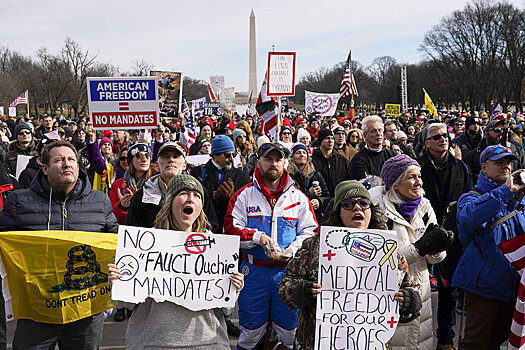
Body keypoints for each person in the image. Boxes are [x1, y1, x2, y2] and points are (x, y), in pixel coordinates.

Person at [0, 140, 118, 349]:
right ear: (44, 168)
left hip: (87, 314)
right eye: (59, 160)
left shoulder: (100, 202)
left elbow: (116, 244)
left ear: (78, 166)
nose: (67, 164)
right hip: (36, 313)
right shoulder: (19, 202)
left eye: (71, 159)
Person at [279, 180, 422, 350]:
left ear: (371, 210)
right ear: (338, 212)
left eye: (363, 203)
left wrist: (410, 302)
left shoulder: (390, 253)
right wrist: (300, 291)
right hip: (318, 343)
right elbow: (285, 287)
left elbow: (410, 292)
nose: (357, 208)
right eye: (348, 204)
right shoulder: (314, 246)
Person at [108, 174, 244, 349]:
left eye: (197, 195)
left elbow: (226, 309)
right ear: (169, 202)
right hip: (153, 344)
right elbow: (122, 303)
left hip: (208, 344)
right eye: (184, 193)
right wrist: (118, 280)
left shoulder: (216, 248)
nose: (191, 199)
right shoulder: (143, 244)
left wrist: (235, 287)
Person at [224, 142, 318, 349]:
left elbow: (311, 232)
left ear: (285, 163)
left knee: (289, 332)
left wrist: (293, 249)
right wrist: (258, 237)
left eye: (277, 159)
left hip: (287, 274)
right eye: (268, 159)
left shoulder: (299, 198)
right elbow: (230, 229)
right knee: (250, 333)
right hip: (253, 272)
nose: (273, 164)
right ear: (258, 162)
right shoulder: (244, 195)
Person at [370, 154, 453, 349]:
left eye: (419, 176)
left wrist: (439, 246)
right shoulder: (377, 211)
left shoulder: (424, 206)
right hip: (392, 295)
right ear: (396, 184)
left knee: (418, 341)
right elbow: (379, 260)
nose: (418, 182)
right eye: (411, 177)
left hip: (421, 293)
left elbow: (434, 259)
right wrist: (419, 248)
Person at [453, 145, 525, 349]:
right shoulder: (471, 197)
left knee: (499, 340)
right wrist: (506, 191)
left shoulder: (519, 198)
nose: (506, 166)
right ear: (484, 168)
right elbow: (469, 218)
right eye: (499, 162)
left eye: (509, 163)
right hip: (484, 286)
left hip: (513, 285)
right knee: (476, 343)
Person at [417, 123, 471, 350]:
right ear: (426, 142)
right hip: (422, 233)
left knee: (448, 288)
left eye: (445, 136)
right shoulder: (417, 167)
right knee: (419, 286)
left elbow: (467, 197)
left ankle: (446, 339)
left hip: (452, 235)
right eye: (436, 136)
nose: (443, 139)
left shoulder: (461, 167)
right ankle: (417, 336)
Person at [190, 135, 250, 233]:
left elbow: (247, 201)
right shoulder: (198, 172)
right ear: (215, 155)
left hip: (231, 228)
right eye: (227, 155)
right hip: (206, 227)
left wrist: (232, 197)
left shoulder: (241, 176)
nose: (231, 159)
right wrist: (211, 196)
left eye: (233, 155)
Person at [463, 118, 525, 183]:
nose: (501, 132)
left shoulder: (516, 149)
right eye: (497, 130)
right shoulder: (471, 156)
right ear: (486, 133)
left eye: (503, 130)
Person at [109, 141, 156, 224]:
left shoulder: (156, 183)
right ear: (131, 161)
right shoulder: (117, 185)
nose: (144, 159)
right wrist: (122, 207)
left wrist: (138, 203)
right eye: (139, 156)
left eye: (147, 156)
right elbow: (113, 219)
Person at [288, 143, 330, 222]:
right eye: (298, 153)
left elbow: (327, 197)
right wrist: (309, 194)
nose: (302, 155)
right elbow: (290, 200)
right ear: (292, 157)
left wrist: (319, 202)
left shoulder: (316, 174)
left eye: (304, 152)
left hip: (314, 218)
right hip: (295, 217)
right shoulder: (289, 176)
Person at [349, 115, 395, 180]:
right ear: (365, 136)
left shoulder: (392, 156)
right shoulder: (358, 159)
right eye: (373, 131)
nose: (378, 134)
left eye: (380, 130)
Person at [310, 128, 352, 197]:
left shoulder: (342, 160)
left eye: (332, 138)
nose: (330, 141)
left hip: (338, 198)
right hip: (320, 201)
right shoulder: (312, 160)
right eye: (327, 138)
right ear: (321, 141)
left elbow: (349, 179)